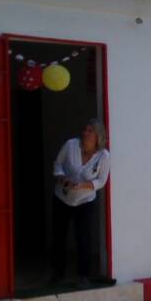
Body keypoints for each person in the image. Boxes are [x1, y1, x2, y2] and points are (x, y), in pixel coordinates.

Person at [50, 118, 111, 287]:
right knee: (59, 235)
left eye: (90, 131)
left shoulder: (104, 156)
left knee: (84, 237)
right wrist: (62, 179)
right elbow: (57, 164)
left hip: (85, 201)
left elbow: (102, 181)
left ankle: (84, 276)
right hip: (62, 197)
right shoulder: (71, 145)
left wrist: (84, 185)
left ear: (98, 137)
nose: (85, 133)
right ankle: (57, 273)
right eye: (85, 129)